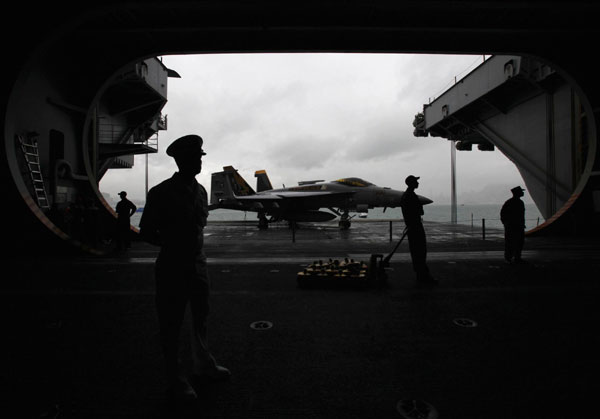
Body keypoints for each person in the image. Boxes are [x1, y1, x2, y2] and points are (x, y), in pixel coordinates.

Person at [139, 134, 230, 401]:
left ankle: (203, 365)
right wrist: (171, 245)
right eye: (193, 158)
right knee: (171, 324)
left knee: (201, 317)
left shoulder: (201, 191)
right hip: (172, 266)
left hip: (198, 264)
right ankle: (175, 378)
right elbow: (146, 232)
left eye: (200, 157)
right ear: (180, 161)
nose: (199, 162)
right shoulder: (161, 192)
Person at [400, 175, 436, 284]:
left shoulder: (406, 195)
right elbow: (419, 212)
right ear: (411, 183)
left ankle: (421, 276)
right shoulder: (410, 196)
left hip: (412, 227)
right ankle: (423, 277)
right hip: (415, 227)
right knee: (420, 252)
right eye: (416, 181)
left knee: (416, 253)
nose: (418, 183)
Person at [500, 186, 526, 263]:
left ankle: (509, 257)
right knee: (517, 242)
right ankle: (516, 257)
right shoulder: (520, 203)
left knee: (511, 242)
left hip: (512, 226)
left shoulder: (509, 202)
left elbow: (502, 214)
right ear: (518, 193)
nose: (523, 192)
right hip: (516, 226)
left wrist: (505, 223)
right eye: (521, 191)